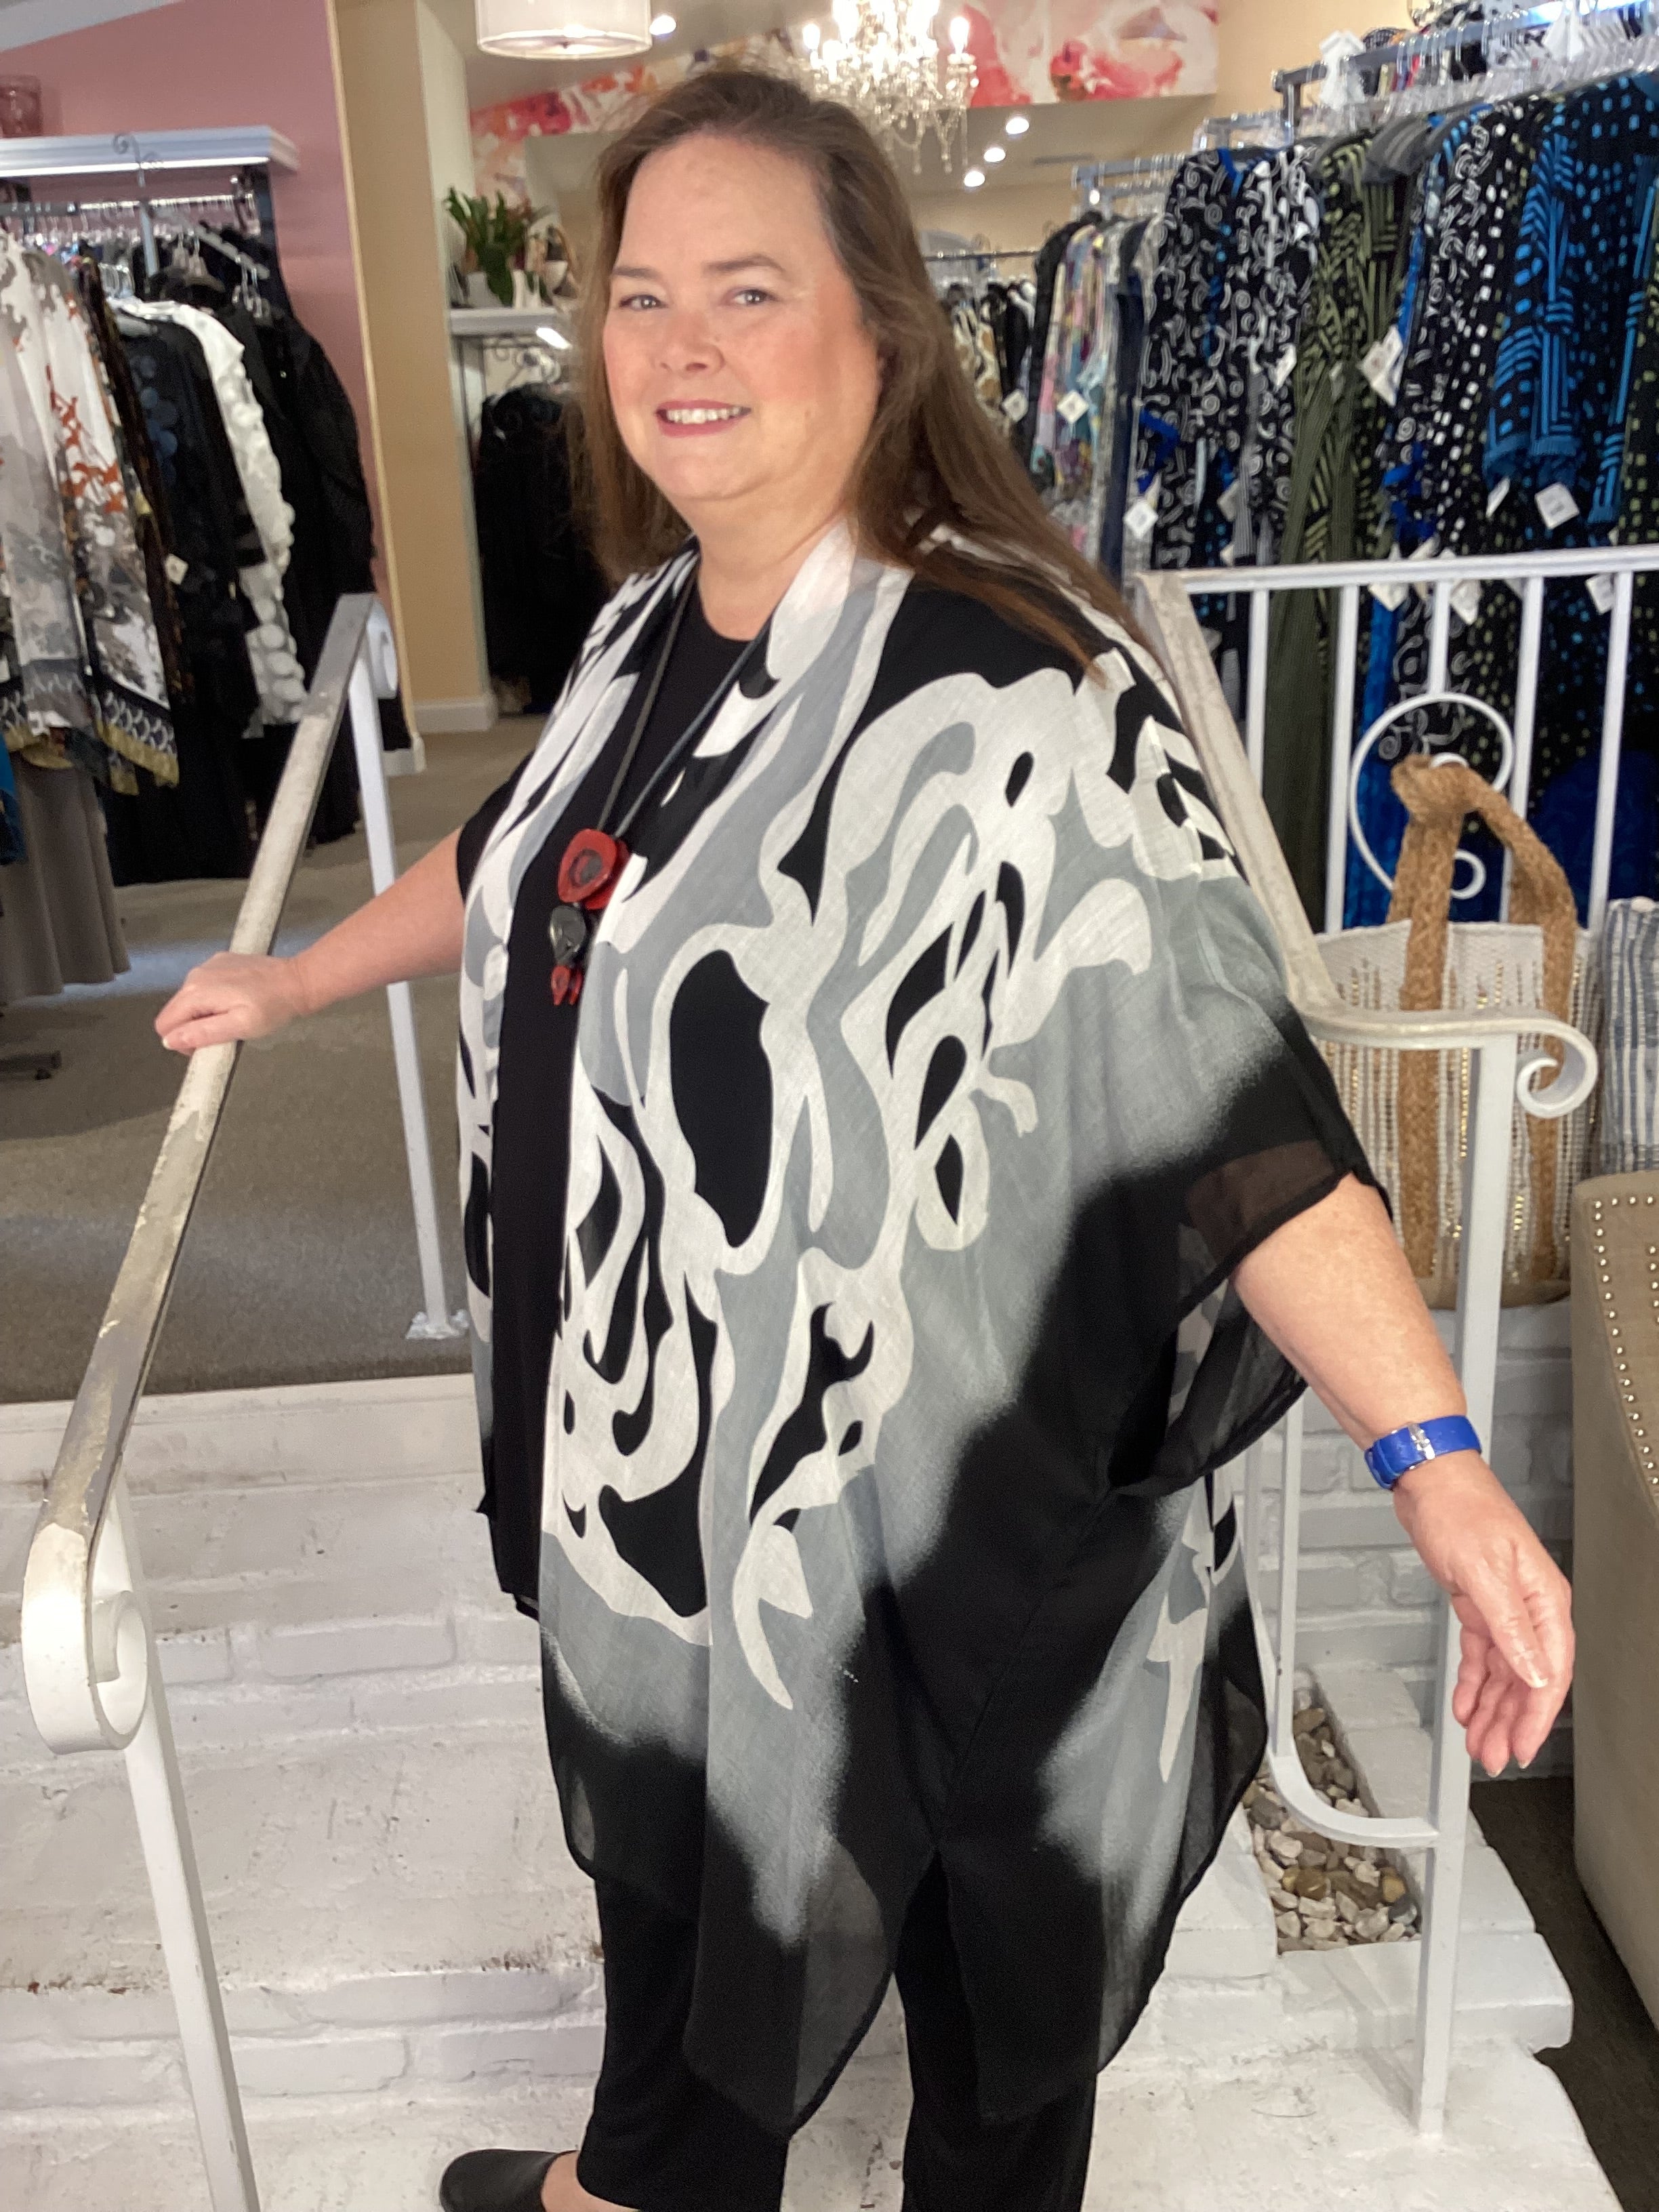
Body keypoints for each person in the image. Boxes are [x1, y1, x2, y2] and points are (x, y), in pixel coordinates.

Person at [155, 66, 1574, 2212]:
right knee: (685, 1841)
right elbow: (533, 853)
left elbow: (1229, 1107)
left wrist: (1438, 1461)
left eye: (748, 289)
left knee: (982, 1974)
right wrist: (298, 980)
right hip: (676, 1477)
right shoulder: (651, 627)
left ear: (880, 333)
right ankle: (647, 2181)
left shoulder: (1023, 693)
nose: (682, 345)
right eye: (642, 295)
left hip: (943, 1496)